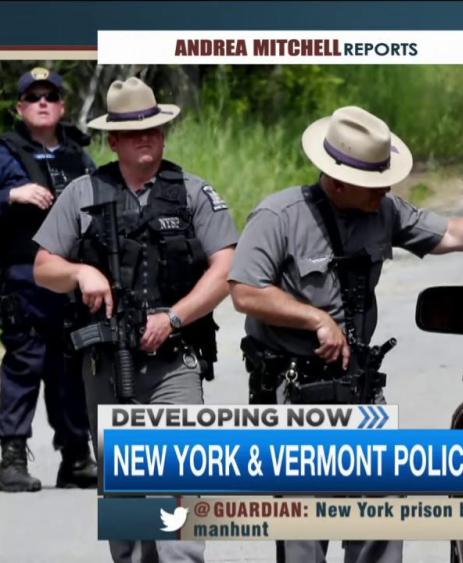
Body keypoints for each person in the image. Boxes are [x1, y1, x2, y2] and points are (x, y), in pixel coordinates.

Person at [228, 105, 463, 563]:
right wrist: (315, 319)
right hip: (295, 392)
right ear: (338, 182)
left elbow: (452, 234)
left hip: (357, 389)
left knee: (382, 507)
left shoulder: (384, 210)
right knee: (304, 528)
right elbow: (245, 291)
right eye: (374, 181)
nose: (386, 188)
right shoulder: (279, 216)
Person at [33, 77, 238, 563]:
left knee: (180, 477)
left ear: (163, 134)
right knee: (125, 492)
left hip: (174, 362)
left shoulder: (192, 193)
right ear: (114, 141)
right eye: (133, 131)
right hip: (106, 363)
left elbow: (226, 268)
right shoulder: (83, 193)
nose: (145, 138)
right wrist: (80, 272)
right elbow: (43, 268)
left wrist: (176, 316)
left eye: (153, 129)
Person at [0, 67, 97, 492]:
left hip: (71, 276)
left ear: (62, 106)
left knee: (70, 367)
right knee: (25, 364)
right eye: (34, 97)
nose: (43, 103)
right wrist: (11, 194)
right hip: (23, 277)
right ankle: (11, 457)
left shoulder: (78, 154)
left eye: (51, 96)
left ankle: (76, 456)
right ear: (20, 108)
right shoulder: (5, 151)